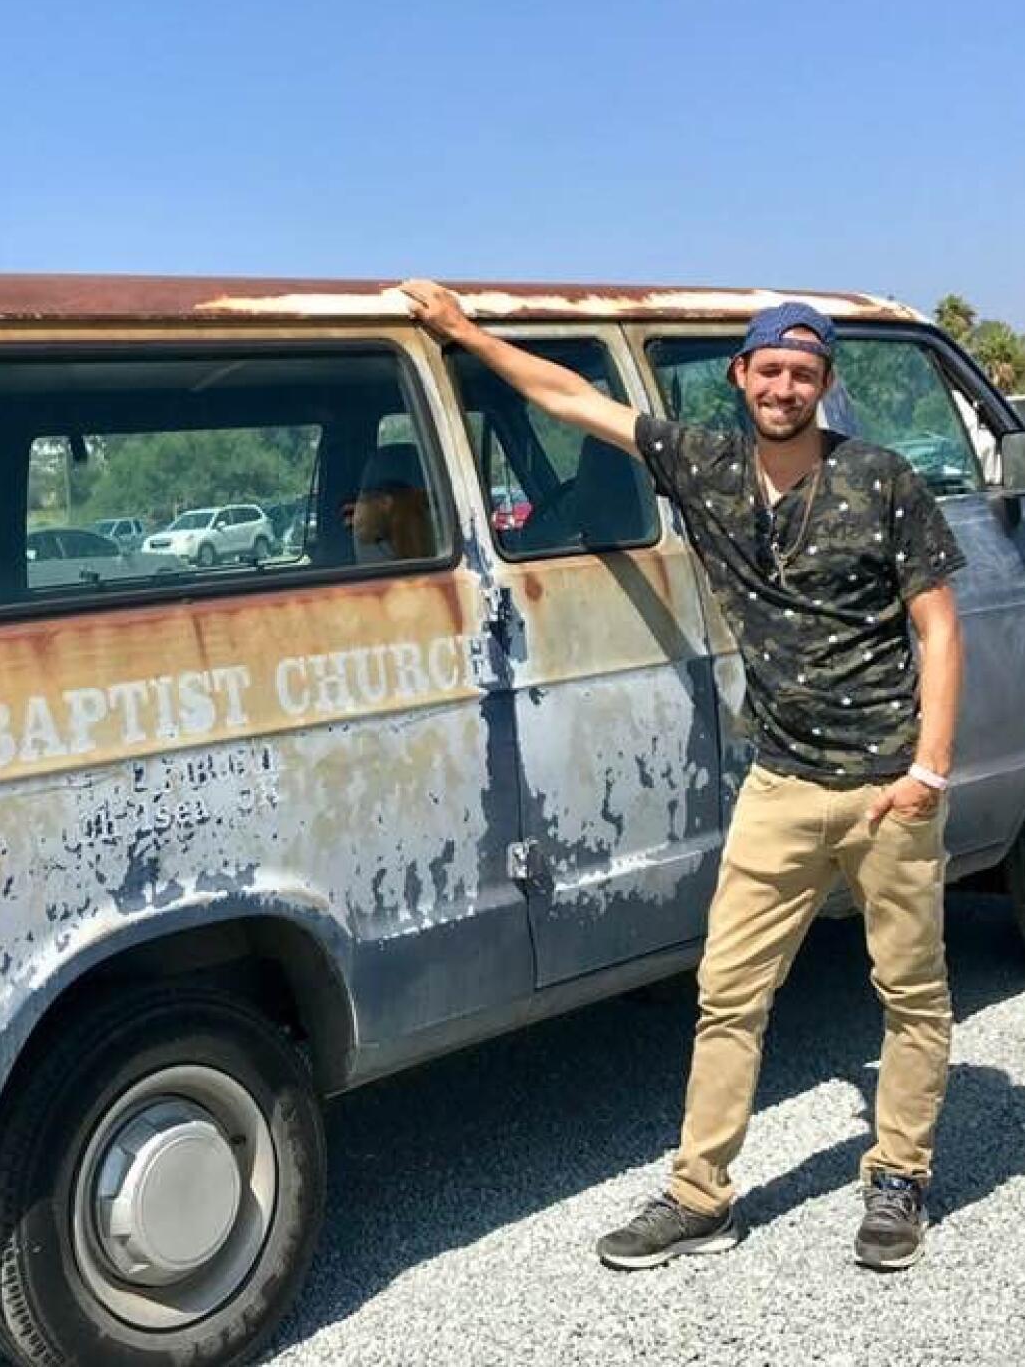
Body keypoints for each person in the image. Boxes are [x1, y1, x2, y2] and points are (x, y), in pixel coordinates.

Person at [400, 278, 964, 1273]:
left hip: (884, 782)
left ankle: (896, 1179)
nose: (782, 386)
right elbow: (573, 402)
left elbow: (938, 624)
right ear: (739, 374)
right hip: (780, 783)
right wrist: (461, 333)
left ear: (821, 384)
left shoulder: (878, 479)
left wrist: (928, 767)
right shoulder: (702, 465)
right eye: (767, 368)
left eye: (802, 372)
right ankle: (700, 1193)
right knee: (727, 991)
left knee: (908, 992)